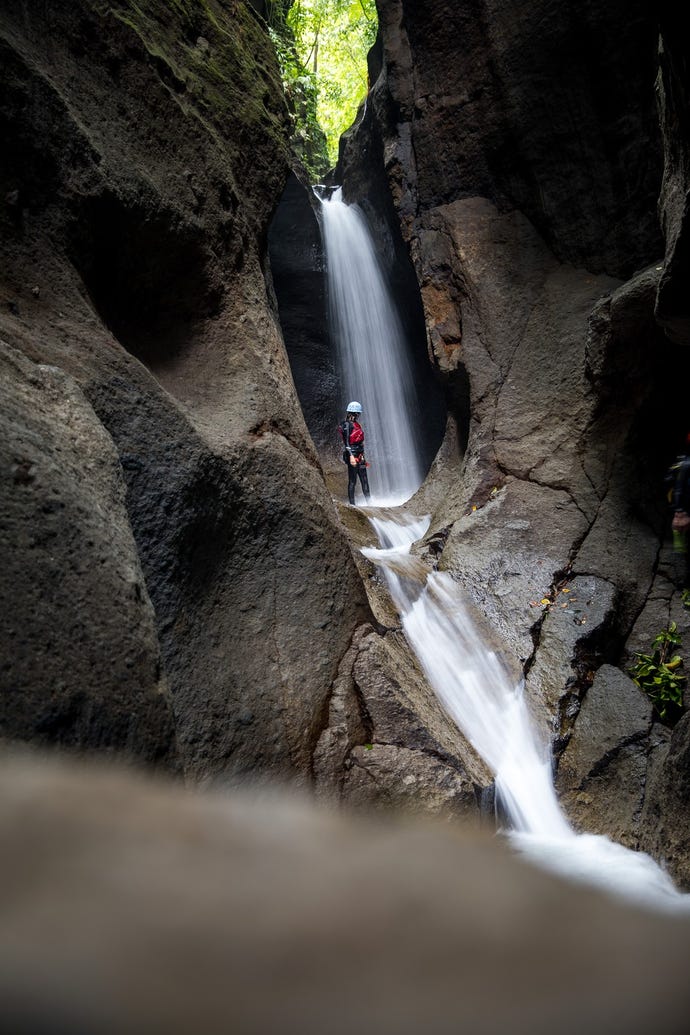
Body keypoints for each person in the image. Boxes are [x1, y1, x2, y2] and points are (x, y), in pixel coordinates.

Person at [666, 433, 690, 586]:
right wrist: (680, 513)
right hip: (685, 515)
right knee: (684, 554)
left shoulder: (682, 462)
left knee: (683, 553)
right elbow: (679, 489)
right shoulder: (687, 464)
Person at [339, 401, 371, 506]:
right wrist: (351, 457)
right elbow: (347, 442)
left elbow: (360, 442)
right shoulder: (347, 425)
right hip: (352, 454)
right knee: (352, 480)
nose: (358, 415)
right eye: (357, 413)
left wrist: (363, 456)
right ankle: (353, 505)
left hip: (360, 455)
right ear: (353, 413)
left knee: (364, 479)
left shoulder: (356, 424)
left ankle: (370, 503)